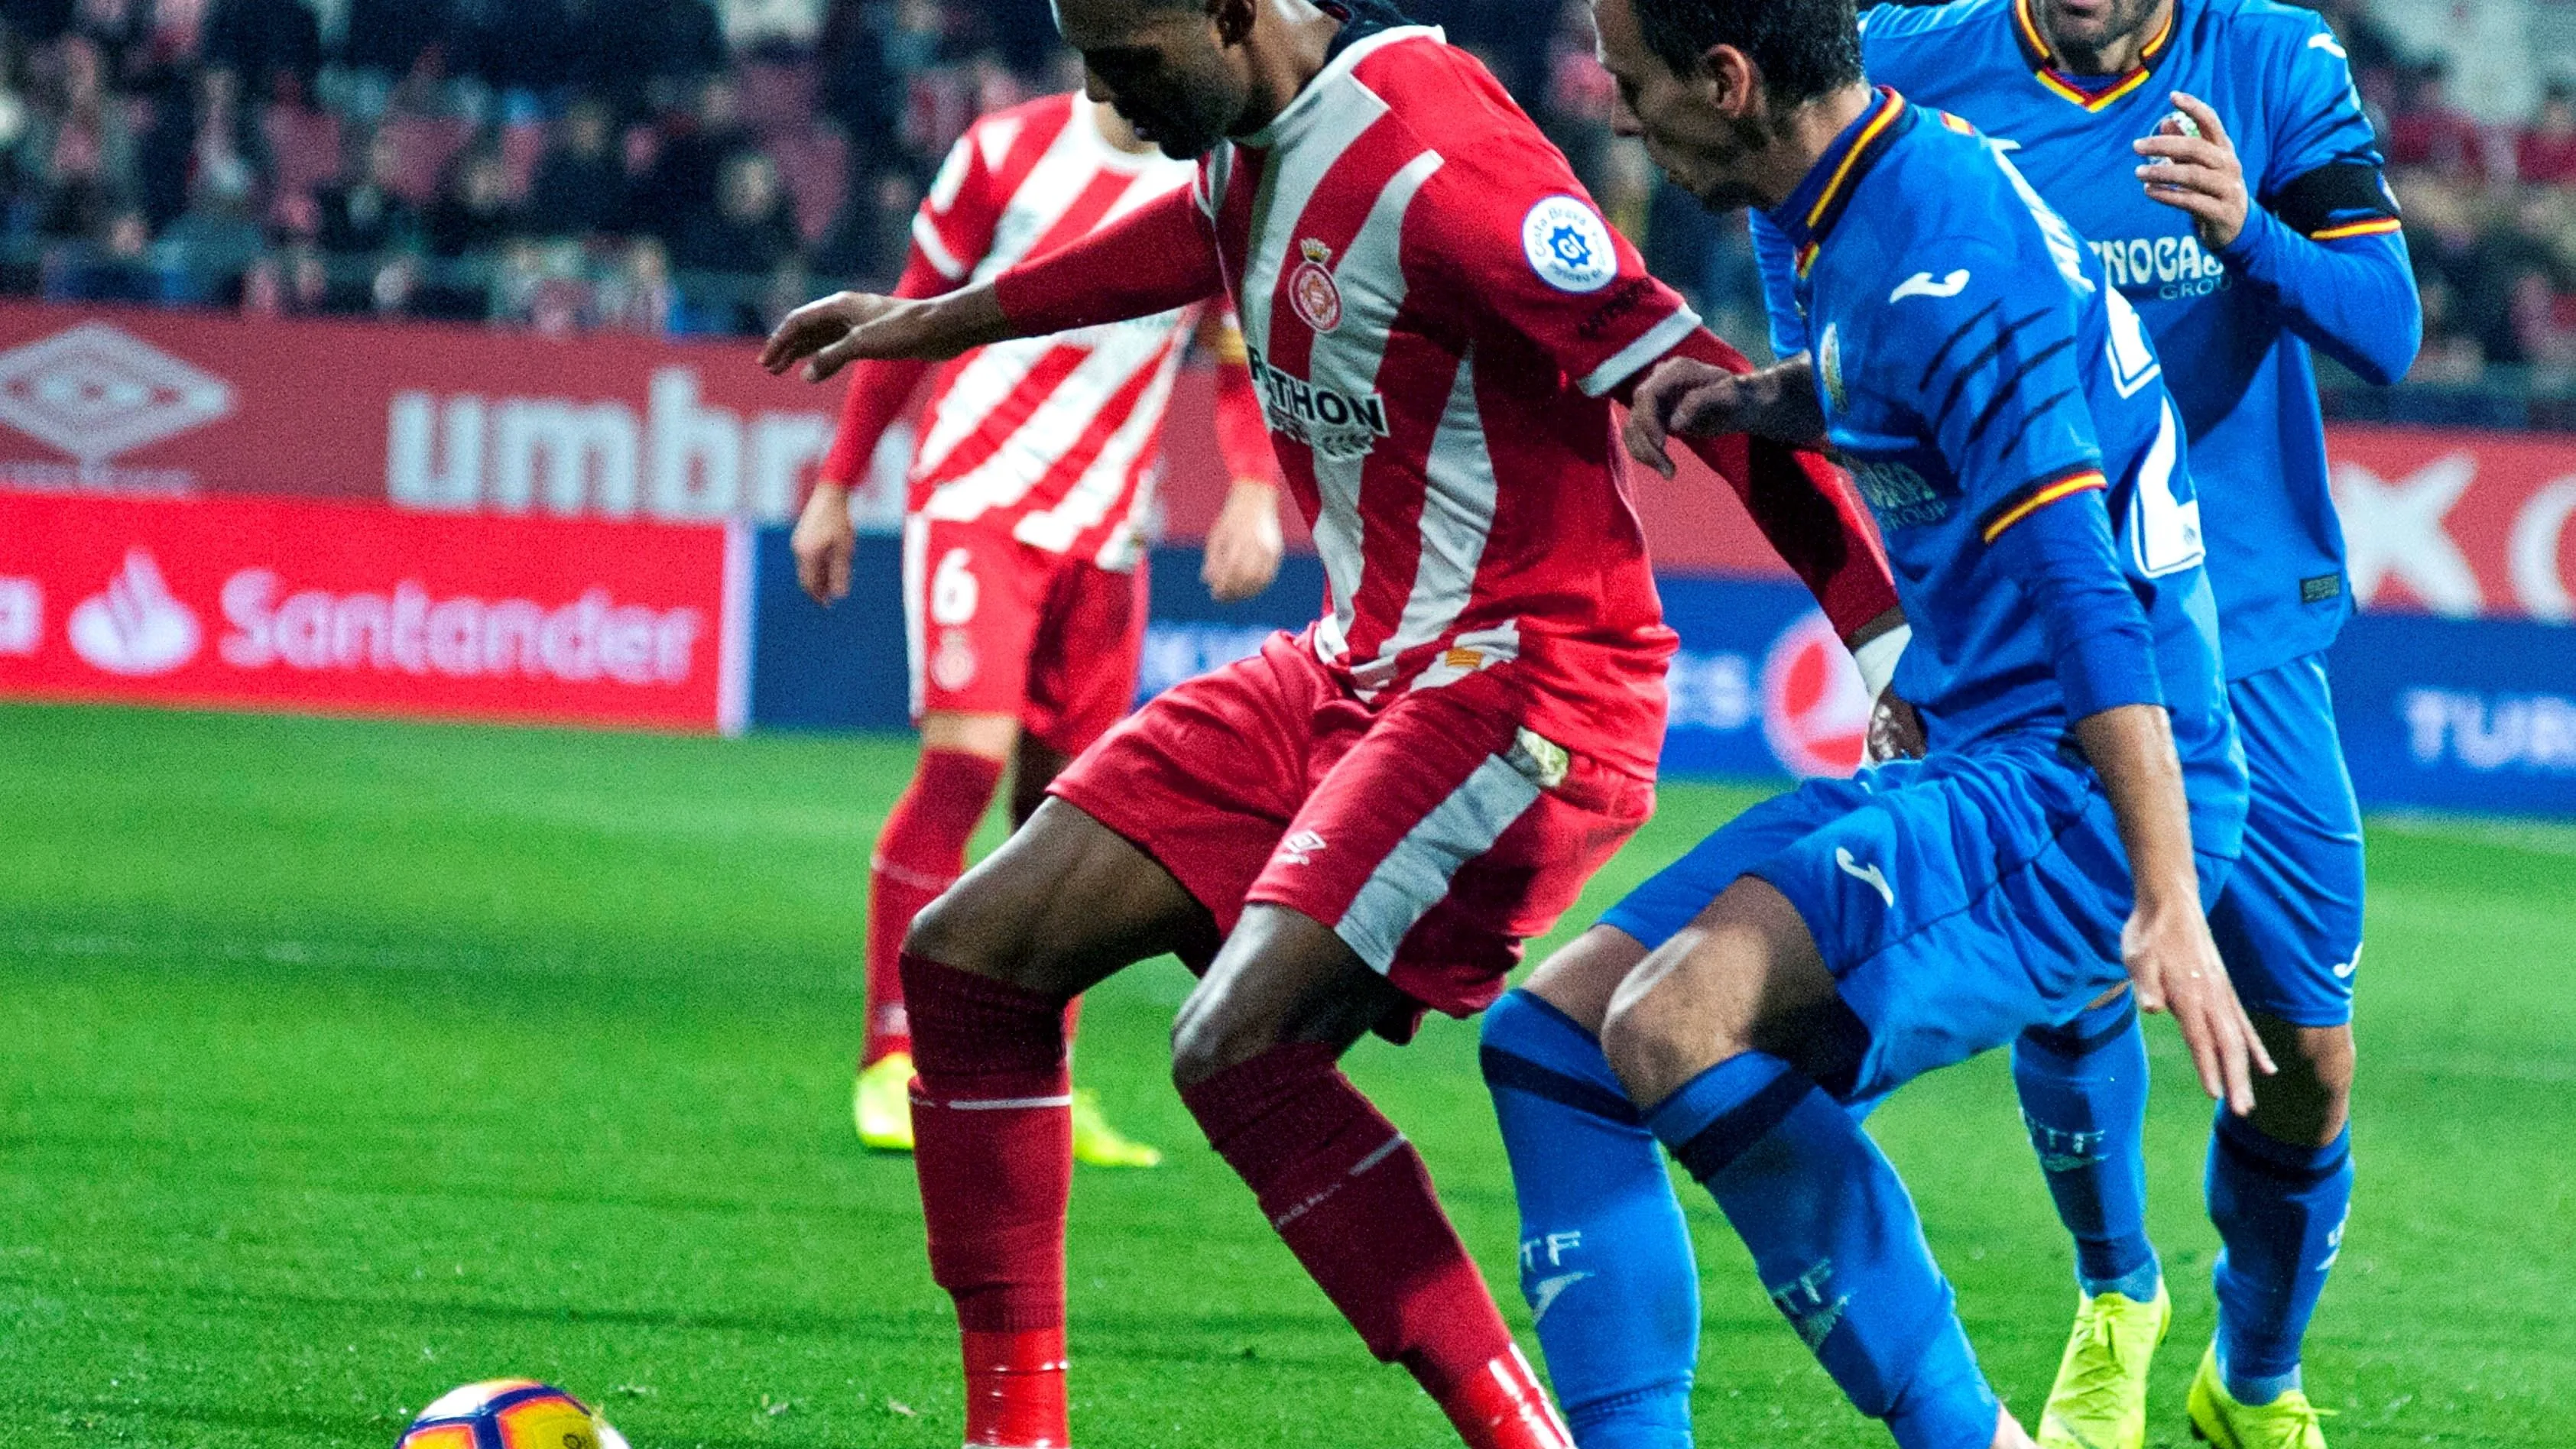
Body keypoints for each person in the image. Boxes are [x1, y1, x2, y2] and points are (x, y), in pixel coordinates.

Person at [760, 2, 1903, 1444]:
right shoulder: (1241, 136)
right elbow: (1195, 244)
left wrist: (1876, 639)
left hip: (1527, 679)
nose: (1106, 99)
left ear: (1235, 10)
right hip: (1350, 673)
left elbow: (1698, 384)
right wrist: (935, 321)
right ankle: (1014, 1432)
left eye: (1128, 63)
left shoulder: (1439, 147)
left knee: (1232, 1046)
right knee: (972, 964)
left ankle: (1525, 1436)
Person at [1479, 2, 2423, 1445]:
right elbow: (1897, 390)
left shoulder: (1950, 249)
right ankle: (2097, 1307)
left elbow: (2087, 596)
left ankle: (2101, 1402)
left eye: (1631, 82)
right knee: (1549, 1043)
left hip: (2078, 777)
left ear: (1729, 83)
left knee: (1673, 1024)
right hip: (2010, 742)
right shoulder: (1886, 178)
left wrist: (2168, 896)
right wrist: (1755, 398)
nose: (1615, 113)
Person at [1831, 6, 2419, 1445]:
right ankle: (2115, 1297)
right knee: (2073, 969)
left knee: (2305, 1060)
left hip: (2249, 621)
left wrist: (2249, 232)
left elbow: (2388, 329)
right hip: (2028, 611)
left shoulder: (2271, 62)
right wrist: (1897, 621)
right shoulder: (1912, 54)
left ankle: (2250, 1382)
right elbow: (1823, 308)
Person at [790, 87, 1290, 1169]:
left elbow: (1233, 363)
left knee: (1069, 814)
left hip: (1108, 533)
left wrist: (1251, 489)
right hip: (978, 497)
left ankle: (1041, 1084)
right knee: (964, 771)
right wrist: (837, 485)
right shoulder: (1004, 152)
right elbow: (902, 318)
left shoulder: (1209, 183)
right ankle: (890, 1055)